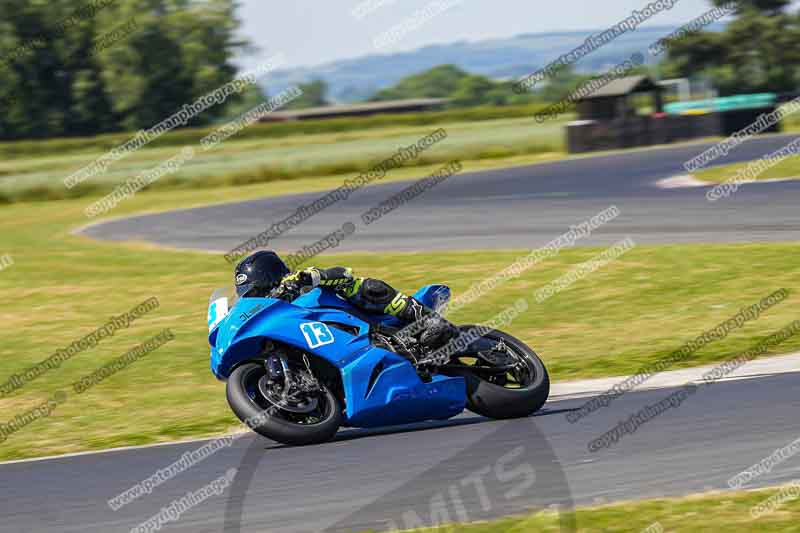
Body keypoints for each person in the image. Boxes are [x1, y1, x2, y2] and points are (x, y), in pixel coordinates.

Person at [234, 251, 457, 351]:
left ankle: (428, 320)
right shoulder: (270, 317)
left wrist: (308, 278)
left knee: (360, 287)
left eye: (254, 291)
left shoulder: (297, 284)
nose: (252, 298)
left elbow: (343, 273)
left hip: (371, 324)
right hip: (330, 346)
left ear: (267, 278)